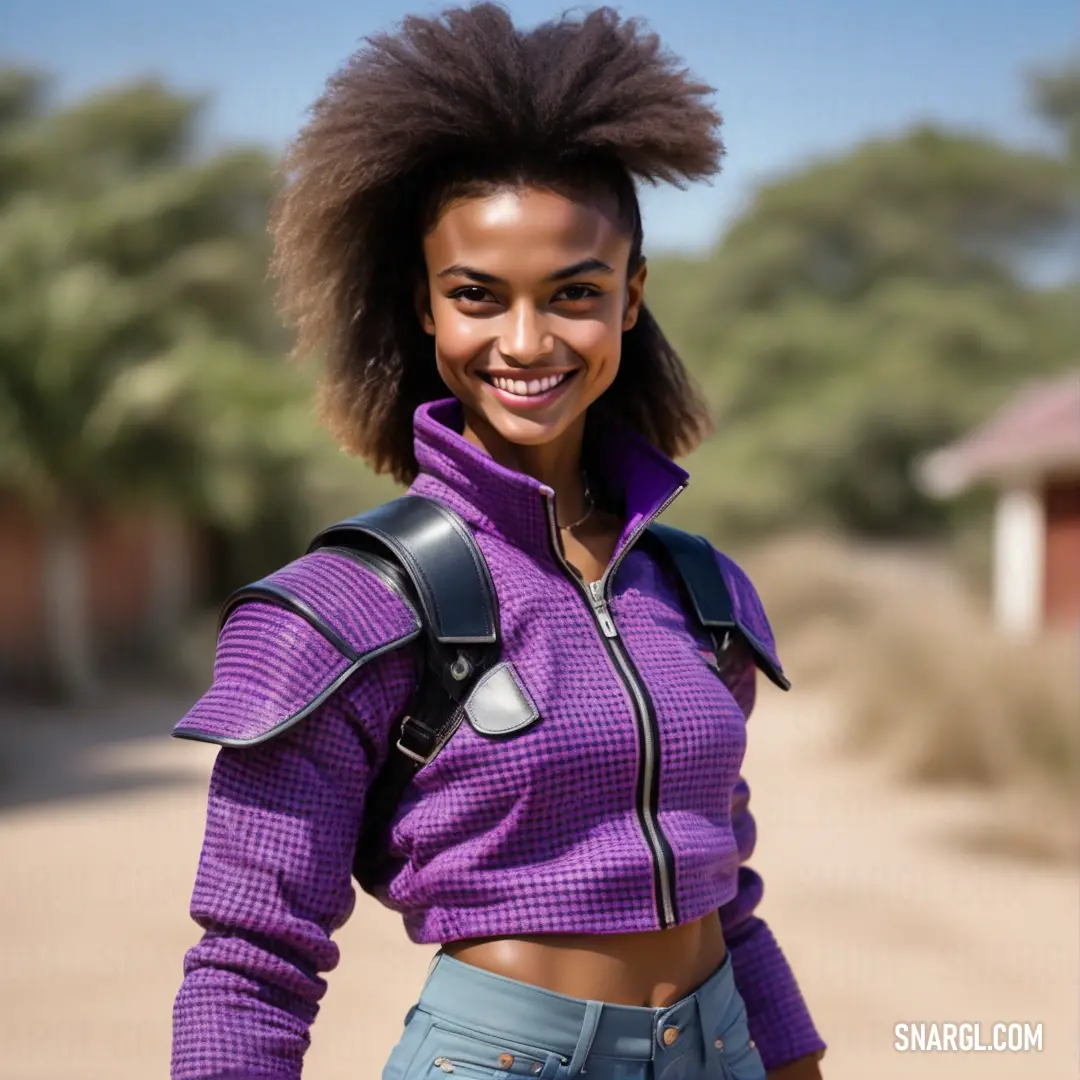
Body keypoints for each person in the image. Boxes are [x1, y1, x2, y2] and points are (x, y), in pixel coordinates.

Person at [170, 5, 827, 1078]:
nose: (527, 343)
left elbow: (728, 899)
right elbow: (251, 957)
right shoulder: (340, 608)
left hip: (724, 1049)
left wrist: (791, 1061)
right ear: (425, 307)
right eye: (478, 295)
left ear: (633, 296)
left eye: (576, 293)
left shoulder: (701, 593)